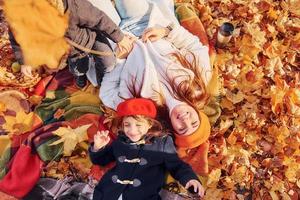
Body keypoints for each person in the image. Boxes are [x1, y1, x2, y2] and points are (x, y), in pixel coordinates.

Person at [99, 0, 212, 174]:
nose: (185, 119)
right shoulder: (199, 81)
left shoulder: (145, 112)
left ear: (172, 126)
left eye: (182, 127)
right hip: (143, 22)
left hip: (115, 40)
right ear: (199, 113)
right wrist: (167, 32)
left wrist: (120, 61)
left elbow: (107, 94)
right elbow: (196, 47)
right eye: (194, 122)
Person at [89, 98, 204, 200]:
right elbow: (101, 161)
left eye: (138, 125)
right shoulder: (121, 141)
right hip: (108, 193)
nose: (132, 131)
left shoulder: (162, 142)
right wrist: (97, 148)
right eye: (127, 125)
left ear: (149, 124)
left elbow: (176, 165)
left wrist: (189, 179)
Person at [8, 0, 135, 88]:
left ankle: (102, 82)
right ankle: (80, 77)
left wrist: (120, 38)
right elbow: (18, 38)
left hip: (92, 36)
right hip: (70, 49)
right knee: (79, 68)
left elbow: (100, 19)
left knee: (108, 63)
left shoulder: (74, 6)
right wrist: (24, 61)